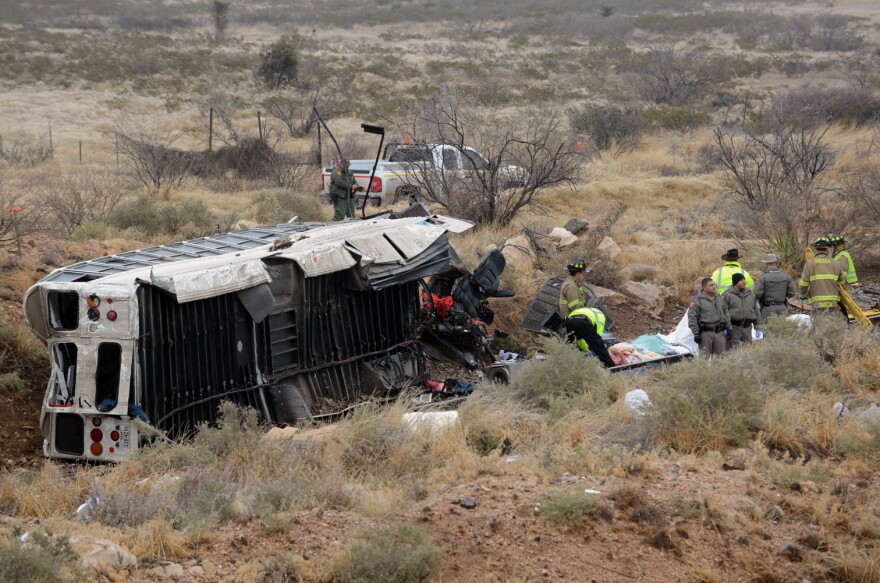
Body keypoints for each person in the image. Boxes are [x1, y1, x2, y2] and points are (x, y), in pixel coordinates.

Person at [799, 236, 846, 317]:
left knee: (819, 326)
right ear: (828, 248)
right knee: (833, 326)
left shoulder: (810, 264)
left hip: (817, 304)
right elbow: (842, 282)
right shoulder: (835, 263)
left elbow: (803, 284)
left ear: (816, 249)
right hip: (833, 303)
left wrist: (802, 297)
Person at [688, 277, 730, 356]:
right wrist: (696, 333)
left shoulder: (719, 297)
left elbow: (725, 312)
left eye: (714, 284)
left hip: (719, 332)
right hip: (705, 333)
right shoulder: (697, 300)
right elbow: (692, 317)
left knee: (721, 358)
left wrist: (728, 328)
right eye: (711, 285)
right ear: (704, 287)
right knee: (705, 359)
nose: (714, 287)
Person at [753, 253, 796, 322]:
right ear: (777, 263)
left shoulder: (763, 277)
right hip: (782, 307)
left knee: (768, 331)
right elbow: (792, 292)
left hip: (768, 309)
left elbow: (757, 294)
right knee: (783, 331)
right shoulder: (787, 277)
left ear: (767, 264)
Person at [723, 272, 760, 348]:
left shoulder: (750, 294)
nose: (744, 281)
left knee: (748, 351)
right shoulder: (727, 295)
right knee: (732, 351)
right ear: (736, 282)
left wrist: (758, 327)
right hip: (734, 328)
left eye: (744, 279)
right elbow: (723, 312)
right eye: (741, 280)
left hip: (747, 328)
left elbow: (756, 311)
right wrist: (726, 328)